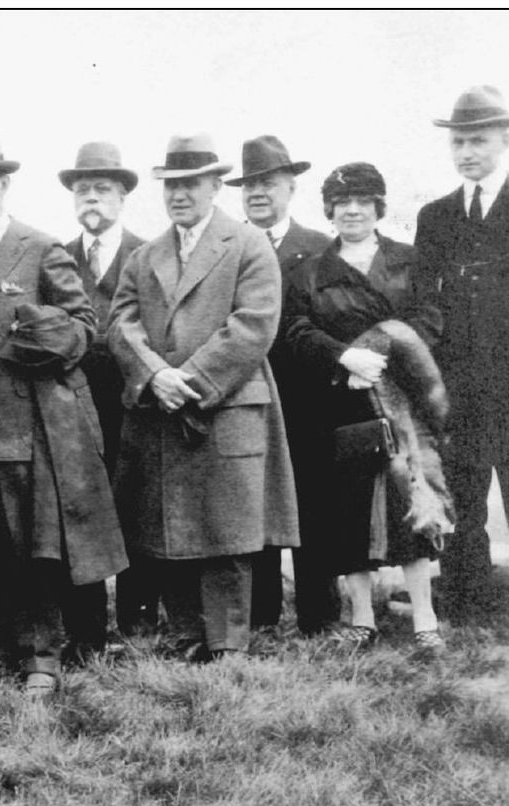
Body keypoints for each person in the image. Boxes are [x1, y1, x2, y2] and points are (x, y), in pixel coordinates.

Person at [0, 131, 124, 694]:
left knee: (33, 546)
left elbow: (86, 328)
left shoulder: (38, 248)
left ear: (5, 185)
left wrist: (39, 338)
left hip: (24, 426)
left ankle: (42, 656)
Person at [107, 133, 299, 661]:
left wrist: (186, 380)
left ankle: (229, 643)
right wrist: (154, 376)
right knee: (171, 527)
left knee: (228, 532)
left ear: (216, 185)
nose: (179, 195)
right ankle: (188, 634)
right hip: (160, 410)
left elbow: (254, 325)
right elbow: (121, 324)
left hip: (225, 407)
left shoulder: (247, 243)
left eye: (191, 184)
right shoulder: (146, 256)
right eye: (171, 185)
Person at [282, 162, 449, 655]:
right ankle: (361, 618)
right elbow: (296, 328)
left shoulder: (409, 260)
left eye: (363, 201)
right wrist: (342, 358)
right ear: (329, 210)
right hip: (342, 403)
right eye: (341, 202)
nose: (351, 210)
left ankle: (425, 618)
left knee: (410, 498)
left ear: (379, 207)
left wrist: (379, 352)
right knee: (349, 512)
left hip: (401, 401)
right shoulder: (309, 270)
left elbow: (427, 319)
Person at [413, 85, 509, 625]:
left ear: (505, 139)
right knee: (464, 498)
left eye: (477, 140)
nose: (467, 152)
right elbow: (425, 305)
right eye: (458, 143)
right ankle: (467, 602)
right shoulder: (435, 218)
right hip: (459, 391)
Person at [225, 135, 335, 632]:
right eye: (249, 185)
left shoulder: (318, 247)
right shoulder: (228, 246)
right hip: (247, 394)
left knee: (313, 501)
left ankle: (318, 612)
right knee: (256, 501)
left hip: (308, 396)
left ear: (291, 186)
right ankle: (261, 613)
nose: (258, 193)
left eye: (268, 182)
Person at [57, 141, 158, 652]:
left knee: (137, 510)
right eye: (83, 190)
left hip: (135, 405)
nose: (91, 199)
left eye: (101, 189)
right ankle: (86, 634)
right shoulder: (55, 257)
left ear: (122, 196)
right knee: (81, 514)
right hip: (74, 411)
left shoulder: (149, 255)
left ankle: (139, 629)